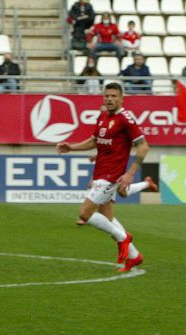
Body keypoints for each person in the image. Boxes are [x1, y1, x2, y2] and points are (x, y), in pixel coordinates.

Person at [56, 82, 146, 272]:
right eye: (107, 96)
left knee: (84, 213)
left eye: (114, 96)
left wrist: (130, 173)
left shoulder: (126, 118)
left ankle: (124, 238)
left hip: (112, 175)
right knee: (108, 218)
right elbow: (95, 141)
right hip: (100, 172)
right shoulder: (103, 116)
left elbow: (144, 147)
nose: (110, 99)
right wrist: (71, 147)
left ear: (122, 98)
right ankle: (134, 256)